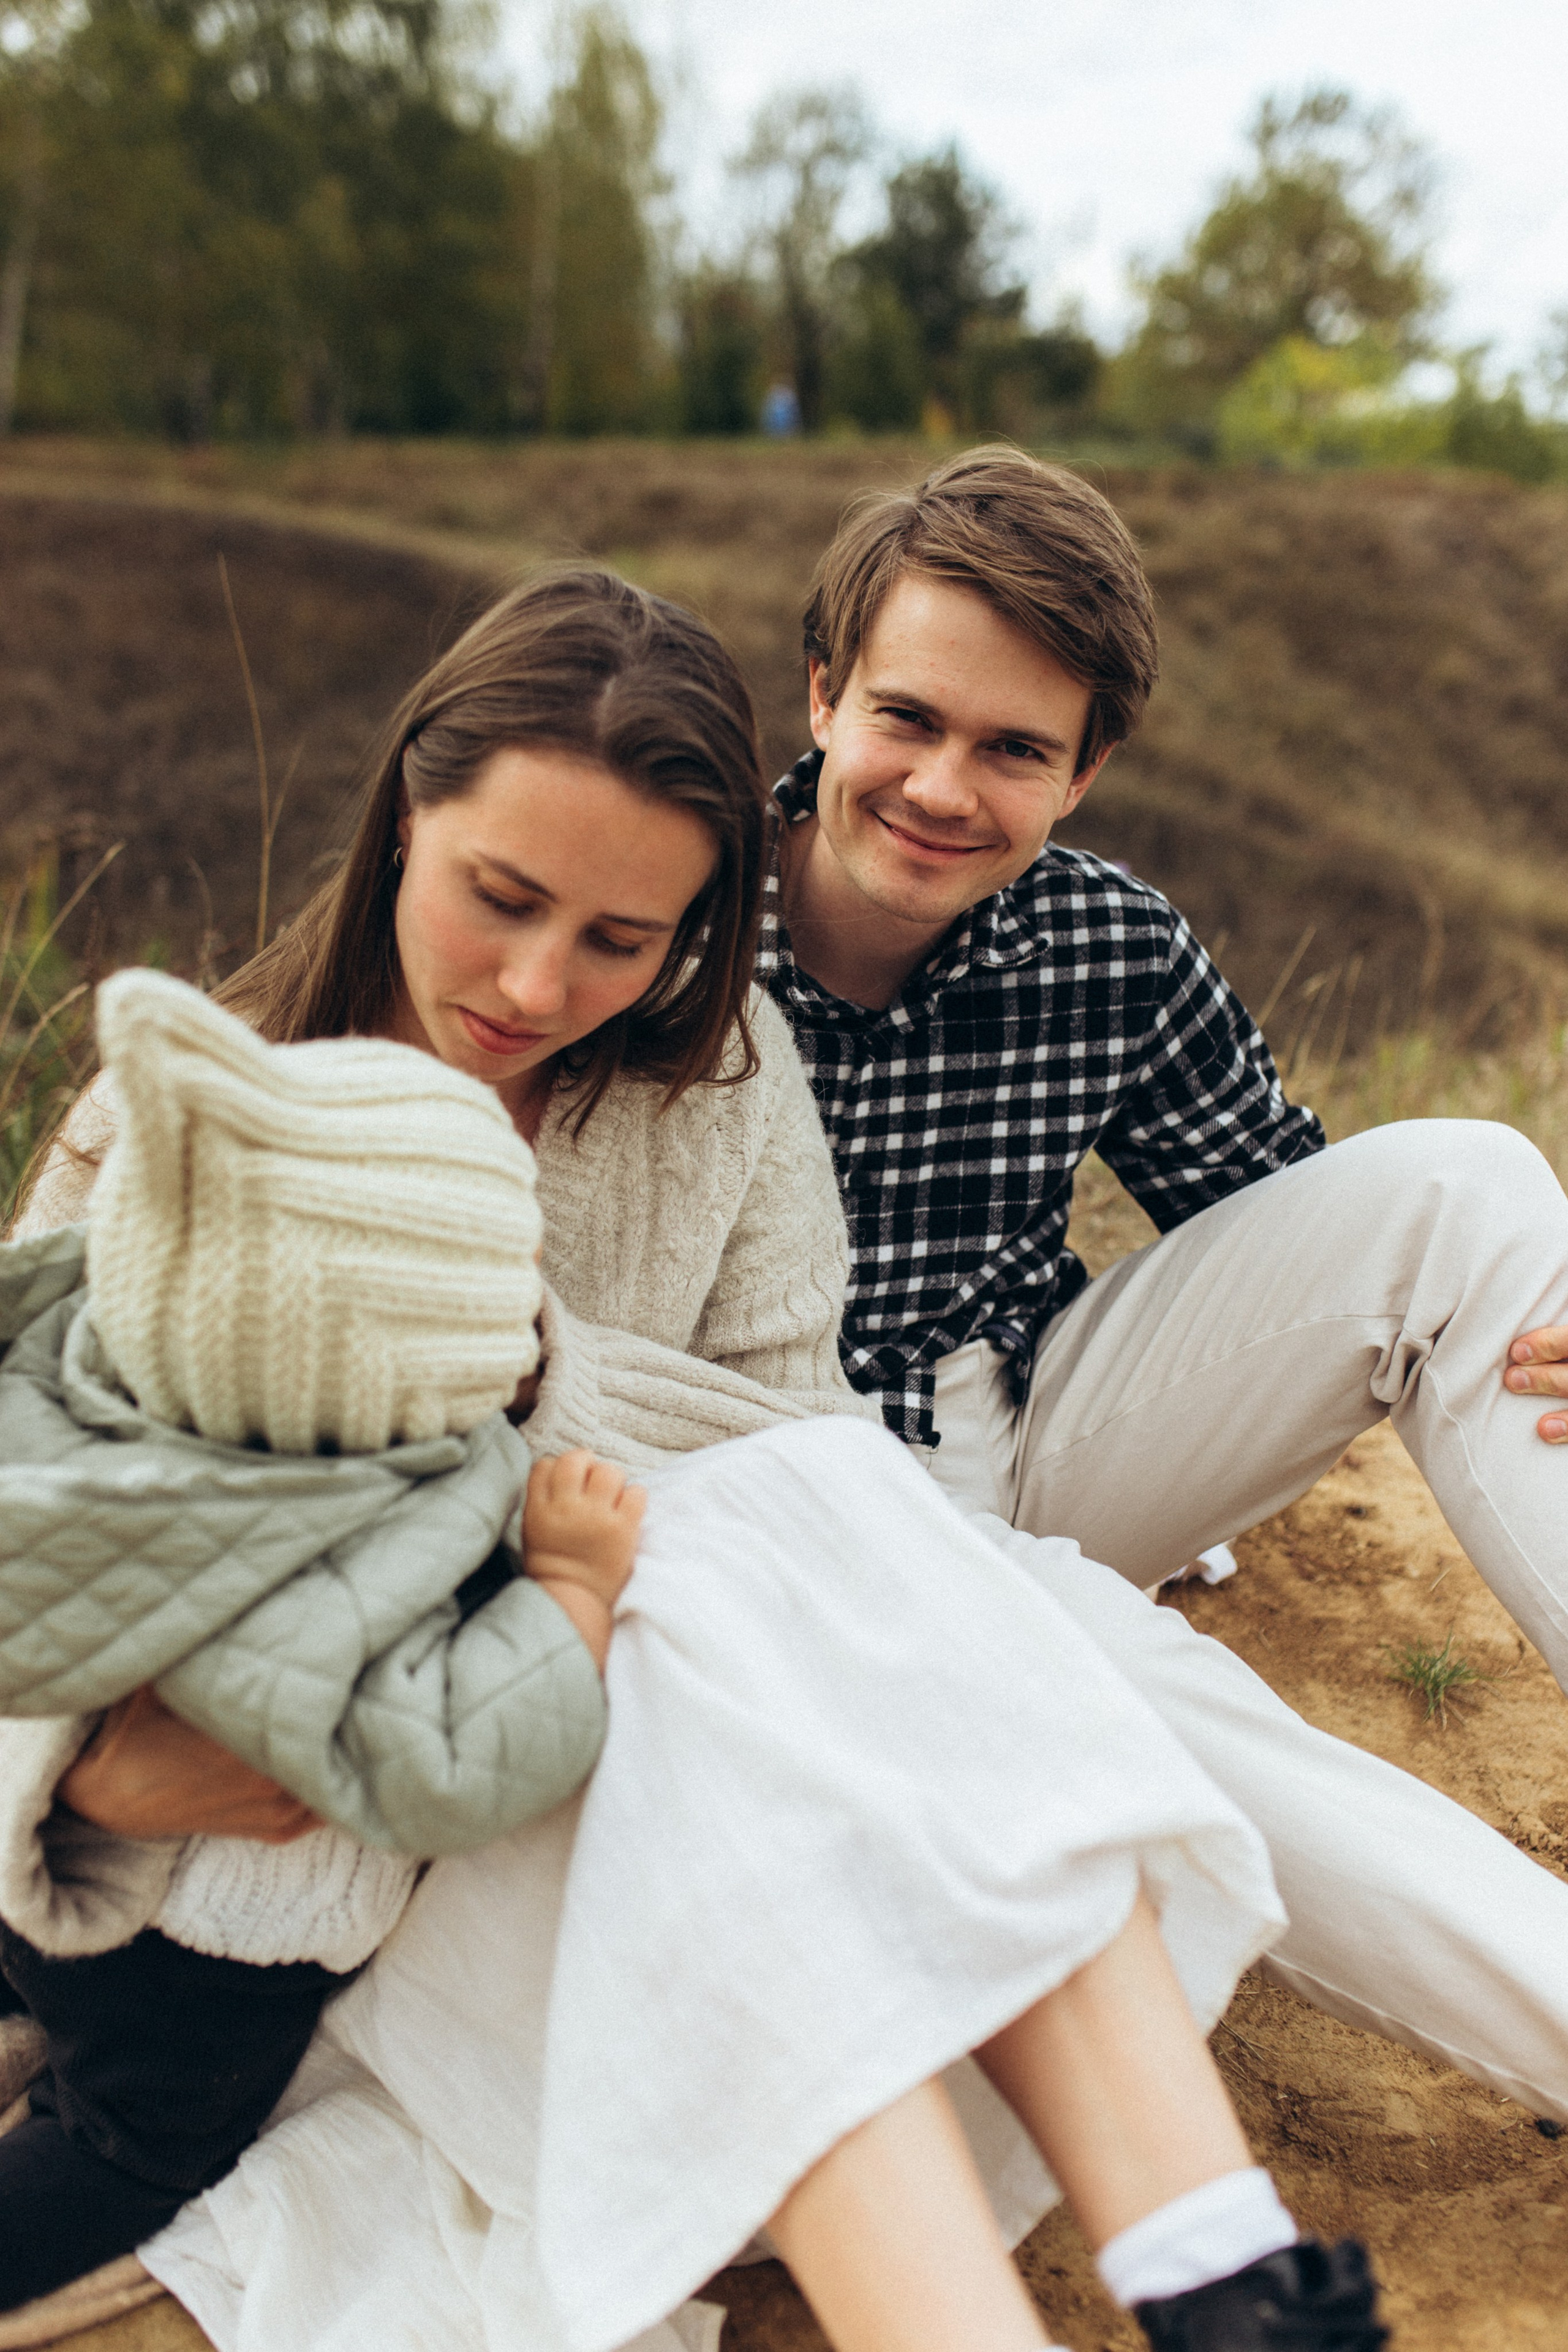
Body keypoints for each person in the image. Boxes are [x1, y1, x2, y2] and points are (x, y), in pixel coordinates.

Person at [7, 570, 1384, 2352]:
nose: (535, 984)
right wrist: (92, 1794)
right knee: (777, 1740)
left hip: (611, 1729)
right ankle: (1205, 2263)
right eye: (500, 897)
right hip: (309, 1820)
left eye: (622, 939)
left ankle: (1212, 2287)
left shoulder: (720, 1085)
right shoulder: (187, 1124)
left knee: (800, 1593)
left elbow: (796, 1447)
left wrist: (540, 1408)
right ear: (403, 816)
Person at [761, 442, 1568, 2124]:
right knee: (1132, 1690)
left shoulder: (1109, 946)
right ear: (823, 692)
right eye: (907, 718)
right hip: (767, 1508)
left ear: (1088, 770)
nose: (941, 786)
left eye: (1013, 751)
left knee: (1471, 1186)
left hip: (1030, 1426)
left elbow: (1308, 1228)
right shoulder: (669, 926)